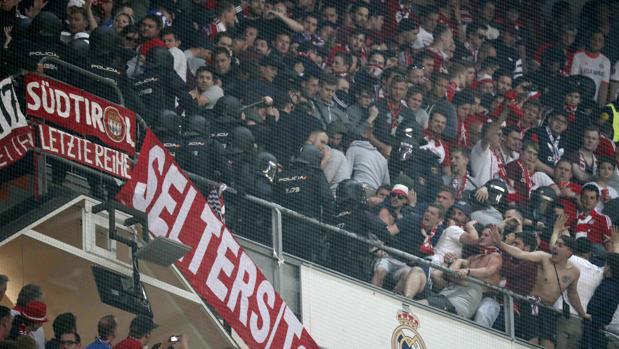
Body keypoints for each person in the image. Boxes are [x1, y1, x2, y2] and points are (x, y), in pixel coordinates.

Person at [491, 225, 591, 349]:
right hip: (531, 304)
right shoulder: (543, 257)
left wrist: (582, 313)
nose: (555, 247)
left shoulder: (574, 272)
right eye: (556, 244)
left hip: (548, 310)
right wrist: (500, 243)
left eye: (560, 245)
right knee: (532, 342)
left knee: (548, 345)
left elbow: (572, 294)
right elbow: (520, 253)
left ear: (569, 252)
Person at [429, 225, 502, 324]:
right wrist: (451, 262)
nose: (482, 237)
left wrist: (468, 271)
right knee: (436, 275)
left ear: (495, 239)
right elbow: (453, 273)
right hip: (455, 292)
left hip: (473, 299)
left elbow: (488, 271)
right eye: (481, 234)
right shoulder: (473, 258)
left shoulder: (496, 256)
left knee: (482, 314)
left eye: (486, 235)